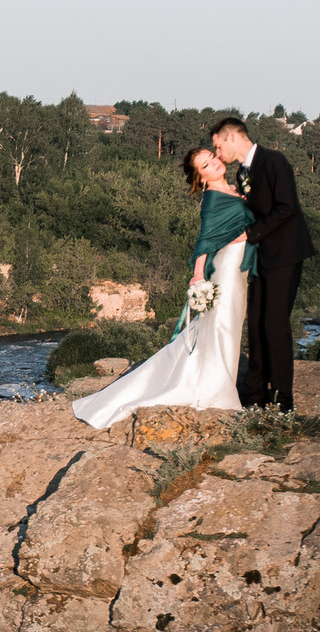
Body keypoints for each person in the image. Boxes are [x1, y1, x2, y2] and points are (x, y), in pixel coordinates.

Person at [71, 147, 256, 430]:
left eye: (213, 158)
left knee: (227, 325)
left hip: (238, 267)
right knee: (223, 325)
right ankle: (217, 392)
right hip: (227, 268)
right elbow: (204, 241)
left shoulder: (233, 189)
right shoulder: (212, 199)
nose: (215, 163)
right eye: (206, 165)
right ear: (201, 178)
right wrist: (197, 276)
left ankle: (220, 383)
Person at [210, 116, 318, 412]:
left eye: (218, 147)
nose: (219, 155)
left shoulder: (273, 160)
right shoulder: (243, 172)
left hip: (285, 255)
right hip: (260, 259)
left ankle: (283, 400)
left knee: (275, 325)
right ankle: (254, 395)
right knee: (256, 324)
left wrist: (249, 233)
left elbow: (286, 209)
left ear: (232, 136)